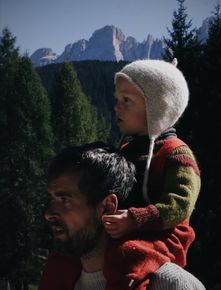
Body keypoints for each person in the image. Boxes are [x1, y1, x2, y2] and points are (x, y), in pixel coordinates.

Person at [38, 144, 205, 290]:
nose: (49, 214)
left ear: (107, 207)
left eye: (64, 200)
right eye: (51, 200)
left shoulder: (172, 285)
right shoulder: (57, 281)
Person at [100, 59, 201, 288]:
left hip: (165, 236)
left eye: (126, 100)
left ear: (157, 106)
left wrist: (135, 219)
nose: (116, 107)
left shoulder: (176, 152)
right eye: (117, 99)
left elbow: (180, 205)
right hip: (127, 228)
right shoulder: (127, 149)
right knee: (68, 254)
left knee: (128, 254)